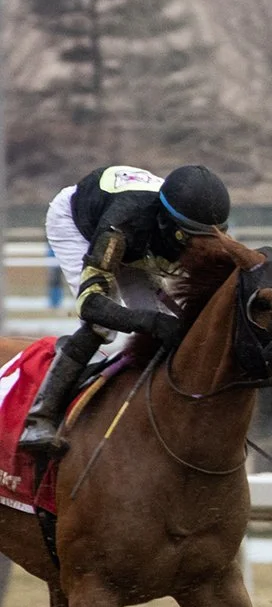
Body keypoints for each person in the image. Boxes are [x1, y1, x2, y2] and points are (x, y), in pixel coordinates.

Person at [20, 163, 232, 459]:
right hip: (80, 225)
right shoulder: (121, 225)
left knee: (166, 328)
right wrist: (152, 322)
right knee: (104, 325)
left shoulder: (197, 227)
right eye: (194, 240)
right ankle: (40, 418)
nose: (204, 249)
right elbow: (91, 305)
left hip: (139, 246)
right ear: (169, 226)